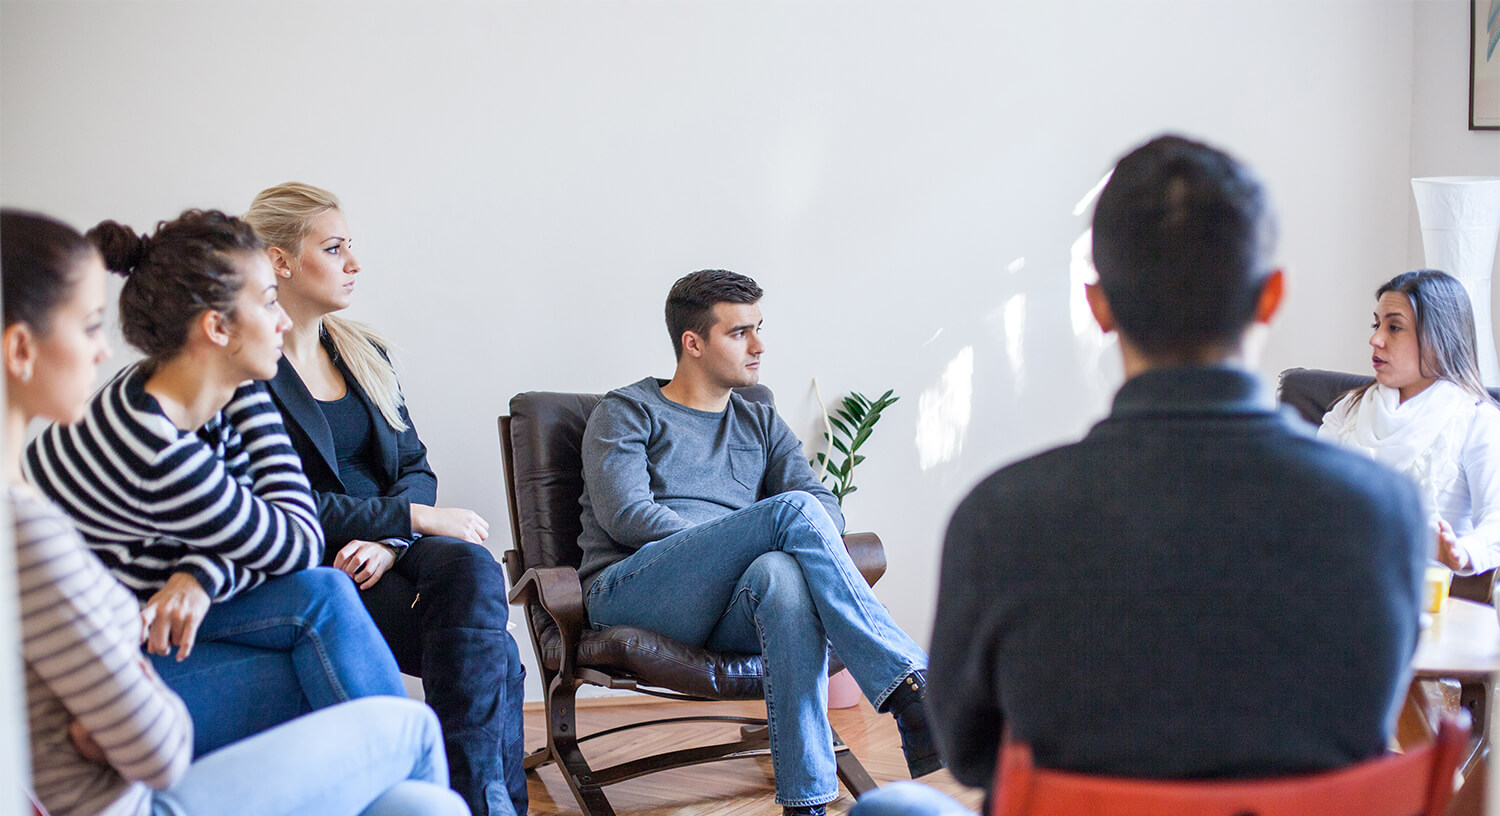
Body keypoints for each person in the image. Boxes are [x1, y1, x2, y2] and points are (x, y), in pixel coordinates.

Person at [852, 135, 1430, 816]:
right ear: (1272, 296)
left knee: (890, 808)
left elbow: (973, 755)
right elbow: (1368, 725)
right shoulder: (1384, 511)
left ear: (1098, 306)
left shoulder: (1001, 515)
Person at [4, 208, 468, 816]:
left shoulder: (218, 384)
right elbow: (295, 535)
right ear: (217, 330)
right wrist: (215, 566)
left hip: (148, 637)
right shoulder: (149, 445)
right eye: (269, 302)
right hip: (124, 673)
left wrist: (201, 575)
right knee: (379, 698)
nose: (282, 322)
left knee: (411, 790)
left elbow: (275, 522)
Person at [577, 268, 937, 816]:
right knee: (789, 514)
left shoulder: (760, 420)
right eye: (739, 332)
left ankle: (806, 801)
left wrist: (750, 546)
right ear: (692, 343)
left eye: (759, 328)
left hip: (726, 602)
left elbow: (826, 504)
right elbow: (628, 515)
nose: (759, 346)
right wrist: (736, 538)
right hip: (635, 589)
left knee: (782, 579)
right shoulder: (627, 410)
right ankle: (910, 687)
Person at [246, 182, 526, 816]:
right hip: (315, 562)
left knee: (474, 565)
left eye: (351, 248)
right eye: (335, 248)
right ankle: (486, 806)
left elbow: (416, 466)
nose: (354, 263)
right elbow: (278, 503)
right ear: (280, 260)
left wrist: (391, 538)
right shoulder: (247, 366)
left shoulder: (364, 352)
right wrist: (410, 518)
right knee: (497, 653)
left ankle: (469, 805)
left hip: (389, 552)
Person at [1318, 269, 1500, 577]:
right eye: (1377, 324)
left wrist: (1461, 551)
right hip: (1330, 584)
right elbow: (1309, 497)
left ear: (1439, 339)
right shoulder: (1348, 410)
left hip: (1425, 601)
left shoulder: (1477, 422)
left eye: (1394, 327)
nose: (1375, 339)